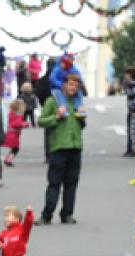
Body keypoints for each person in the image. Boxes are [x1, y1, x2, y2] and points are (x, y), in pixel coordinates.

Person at [36, 73, 85, 225]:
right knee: (54, 183)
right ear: (64, 85)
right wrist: (56, 117)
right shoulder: (53, 101)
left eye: (76, 86)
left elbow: (81, 126)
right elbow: (41, 121)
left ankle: (67, 214)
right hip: (58, 148)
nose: (73, 88)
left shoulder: (77, 102)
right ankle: (46, 215)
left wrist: (82, 118)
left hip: (75, 147)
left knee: (72, 184)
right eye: (71, 85)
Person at [2, 99, 30, 167]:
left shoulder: (11, 113)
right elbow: (17, 123)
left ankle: (7, 159)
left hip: (10, 132)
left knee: (14, 149)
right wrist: (25, 124)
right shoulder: (19, 115)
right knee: (15, 149)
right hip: (14, 134)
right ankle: (8, 160)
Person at [122, 67, 135, 157]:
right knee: (130, 130)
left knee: (133, 130)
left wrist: (133, 109)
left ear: (130, 75)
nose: (125, 76)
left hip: (134, 110)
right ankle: (130, 149)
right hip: (131, 110)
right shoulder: (130, 84)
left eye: (126, 74)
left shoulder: (134, 85)